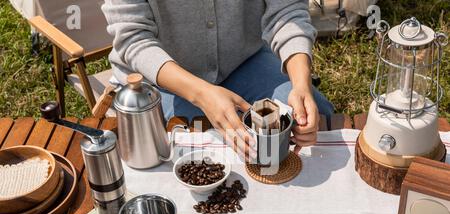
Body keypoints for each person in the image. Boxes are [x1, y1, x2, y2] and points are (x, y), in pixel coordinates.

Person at [102, 0, 334, 159]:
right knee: (200, 156)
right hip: (162, 81)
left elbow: (287, 10)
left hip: (243, 60)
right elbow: (134, 38)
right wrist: (202, 94)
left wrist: (301, 84)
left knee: (315, 120)